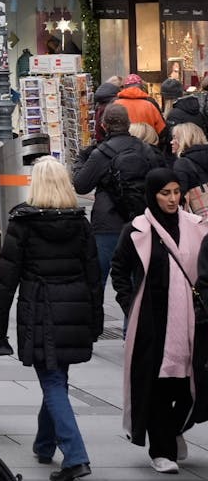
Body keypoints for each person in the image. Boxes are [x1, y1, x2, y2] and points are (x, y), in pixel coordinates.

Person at [0, 156, 102, 480]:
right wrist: (95, 319)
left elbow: (7, 281)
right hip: (74, 307)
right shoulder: (80, 222)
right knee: (57, 378)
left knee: (51, 380)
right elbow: (94, 275)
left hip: (41, 310)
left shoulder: (23, 223)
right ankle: (45, 442)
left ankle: (75, 456)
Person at [110, 168, 208, 473]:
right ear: (152, 194)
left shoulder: (196, 227)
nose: (172, 199)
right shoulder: (137, 229)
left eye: (176, 192)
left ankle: (173, 430)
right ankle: (161, 450)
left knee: (188, 384)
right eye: (165, 193)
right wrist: (130, 305)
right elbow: (119, 269)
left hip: (193, 320)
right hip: (152, 321)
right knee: (158, 385)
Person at [75, 104, 163, 290]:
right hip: (140, 223)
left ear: (104, 125)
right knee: (135, 288)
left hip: (107, 224)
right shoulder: (145, 150)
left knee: (97, 283)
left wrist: (79, 162)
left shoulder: (100, 153)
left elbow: (81, 185)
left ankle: (96, 319)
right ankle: (131, 319)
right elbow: (159, 183)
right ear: (128, 124)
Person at [114, 73, 168, 139]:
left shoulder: (115, 104)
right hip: (147, 143)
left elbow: (105, 126)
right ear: (141, 87)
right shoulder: (150, 103)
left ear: (124, 87)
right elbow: (162, 129)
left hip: (122, 144)